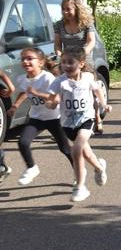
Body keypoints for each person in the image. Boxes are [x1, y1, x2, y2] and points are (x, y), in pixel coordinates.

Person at [40, 48, 111, 203]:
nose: (66, 65)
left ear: (81, 64)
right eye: (63, 62)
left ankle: (80, 186)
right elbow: (51, 102)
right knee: (86, 153)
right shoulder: (59, 82)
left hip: (86, 119)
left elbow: (97, 89)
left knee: (77, 149)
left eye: (70, 62)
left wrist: (104, 104)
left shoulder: (87, 78)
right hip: (67, 124)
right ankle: (99, 168)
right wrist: (52, 104)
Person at [9, 48, 73, 185]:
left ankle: (79, 173)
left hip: (54, 118)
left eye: (30, 58)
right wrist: (15, 106)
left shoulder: (47, 77)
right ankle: (32, 168)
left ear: (41, 62)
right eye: (23, 59)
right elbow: (24, 92)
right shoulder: (22, 79)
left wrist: (36, 93)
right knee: (23, 142)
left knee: (65, 149)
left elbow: (56, 98)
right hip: (36, 117)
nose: (25, 61)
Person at [54, 0, 103, 134]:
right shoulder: (59, 25)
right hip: (67, 63)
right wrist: (60, 54)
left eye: (68, 9)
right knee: (67, 92)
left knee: (91, 92)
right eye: (63, 9)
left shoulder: (87, 23)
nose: (65, 12)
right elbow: (57, 44)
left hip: (83, 61)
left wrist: (82, 53)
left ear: (76, 8)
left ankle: (97, 118)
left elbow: (91, 41)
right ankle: (68, 122)